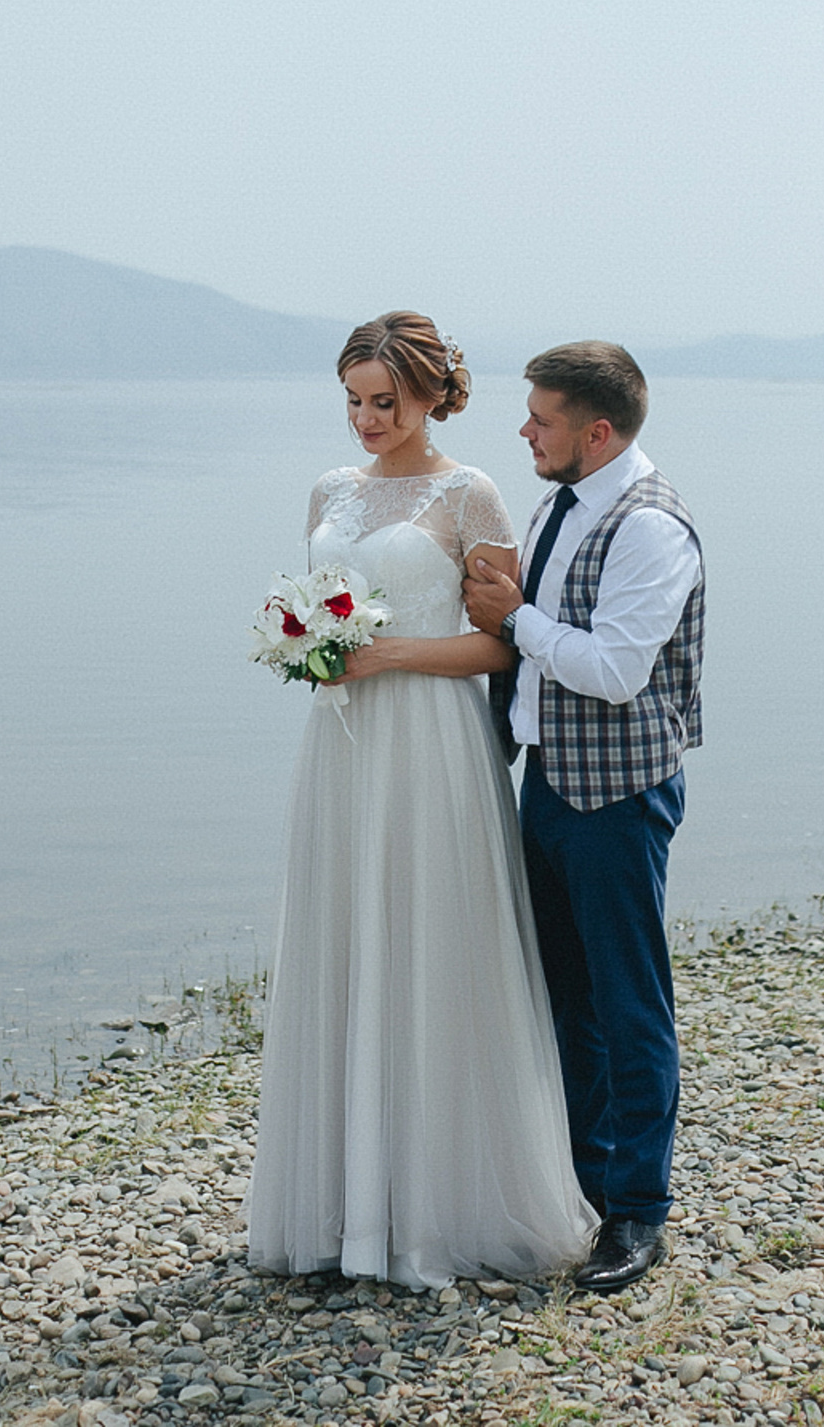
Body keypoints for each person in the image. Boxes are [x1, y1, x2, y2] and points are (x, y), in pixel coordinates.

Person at [244, 311, 599, 1289]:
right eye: (353, 401)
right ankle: (345, 1210)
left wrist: (386, 654)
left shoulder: (468, 494)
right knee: (346, 941)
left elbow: (500, 639)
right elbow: (324, 606)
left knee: (430, 945)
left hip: (431, 743)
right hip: (343, 748)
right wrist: (305, 646)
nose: (366, 419)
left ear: (432, 393)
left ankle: (437, 1207)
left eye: (383, 401)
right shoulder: (329, 489)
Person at [462, 342, 704, 1295]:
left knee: (629, 1000)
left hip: (617, 794)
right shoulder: (560, 502)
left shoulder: (651, 529)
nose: (525, 429)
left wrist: (515, 617)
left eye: (543, 419)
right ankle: (588, 1182)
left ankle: (640, 1212)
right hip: (550, 785)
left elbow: (613, 670)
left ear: (595, 432)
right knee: (566, 994)